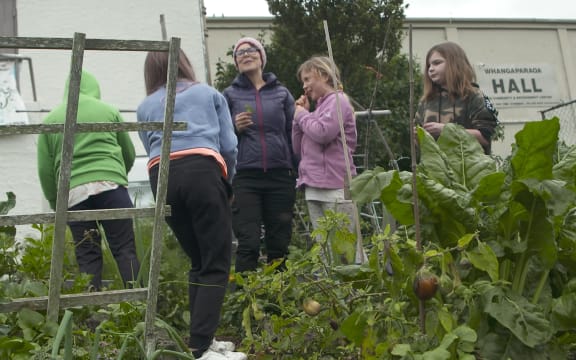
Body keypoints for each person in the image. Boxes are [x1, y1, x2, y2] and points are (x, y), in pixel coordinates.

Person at [136, 49, 246, 360]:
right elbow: (229, 144)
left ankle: (202, 342)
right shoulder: (207, 93)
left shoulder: (144, 106)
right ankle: (200, 349)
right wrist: (228, 182)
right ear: (183, 63)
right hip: (201, 170)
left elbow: (149, 147)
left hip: (163, 177)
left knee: (199, 261)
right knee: (216, 261)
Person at [37, 69, 140, 291]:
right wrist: (117, 175)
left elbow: (45, 171)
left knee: (87, 256)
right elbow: (128, 153)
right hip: (111, 188)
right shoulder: (109, 111)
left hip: (74, 194)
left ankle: (91, 316)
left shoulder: (51, 119)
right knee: (124, 249)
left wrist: (58, 204)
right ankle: (139, 307)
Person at [222, 37, 297, 273]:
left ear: (261, 57)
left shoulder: (282, 93)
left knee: (279, 245)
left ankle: (278, 304)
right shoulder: (229, 95)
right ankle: (244, 304)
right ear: (236, 63)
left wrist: (297, 169)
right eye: (239, 52)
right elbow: (220, 136)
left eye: (251, 49)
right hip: (245, 176)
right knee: (248, 243)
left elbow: (293, 133)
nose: (245, 54)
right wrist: (235, 128)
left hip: (280, 175)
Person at [292, 56, 359, 264]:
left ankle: (353, 289)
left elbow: (323, 133)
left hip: (337, 185)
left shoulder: (339, 101)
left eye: (307, 79)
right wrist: (298, 119)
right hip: (314, 185)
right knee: (324, 247)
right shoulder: (317, 110)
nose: (304, 86)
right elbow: (297, 149)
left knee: (345, 246)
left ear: (323, 75)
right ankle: (332, 292)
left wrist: (302, 115)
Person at [415, 41, 498, 154]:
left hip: (467, 168)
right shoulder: (426, 101)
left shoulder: (474, 96)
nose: (430, 69)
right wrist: (417, 135)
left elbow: (484, 137)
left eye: (437, 63)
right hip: (434, 169)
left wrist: (445, 130)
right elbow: (417, 143)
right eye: (429, 65)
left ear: (454, 63)